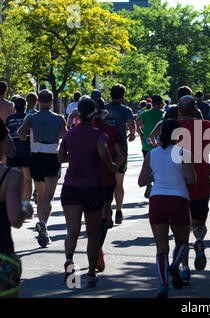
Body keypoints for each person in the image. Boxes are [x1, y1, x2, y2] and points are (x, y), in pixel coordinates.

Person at [58, 96, 118, 288]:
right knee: (92, 234)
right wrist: (112, 165)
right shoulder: (99, 135)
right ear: (94, 114)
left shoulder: (70, 134)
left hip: (71, 188)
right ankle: (91, 274)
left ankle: (69, 260)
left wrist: (75, 157)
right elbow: (104, 155)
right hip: (93, 188)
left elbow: (60, 157)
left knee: (72, 232)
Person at [138, 119, 196, 298]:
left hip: (157, 200)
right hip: (179, 199)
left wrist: (154, 176)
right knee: (182, 242)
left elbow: (141, 182)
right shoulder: (183, 153)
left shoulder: (152, 154)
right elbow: (191, 179)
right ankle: (175, 265)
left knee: (161, 247)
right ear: (177, 135)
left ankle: (164, 285)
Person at [176, 95, 210, 283]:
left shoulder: (173, 128)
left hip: (179, 185)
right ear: (195, 110)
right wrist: (208, 169)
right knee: (199, 223)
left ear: (179, 110)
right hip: (201, 182)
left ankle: (184, 268)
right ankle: (199, 241)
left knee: (182, 228)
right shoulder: (207, 125)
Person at [18, 89, 66, 248]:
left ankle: (41, 227)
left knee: (40, 196)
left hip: (36, 157)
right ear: (52, 101)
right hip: (52, 157)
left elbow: (20, 135)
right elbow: (65, 139)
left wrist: (29, 133)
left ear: (38, 101)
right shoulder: (59, 119)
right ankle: (44, 224)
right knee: (48, 198)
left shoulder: (30, 117)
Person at [91, 91, 124, 271]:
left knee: (90, 218)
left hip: (84, 180)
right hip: (106, 178)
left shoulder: (77, 131)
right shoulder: (110, 131)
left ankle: (94, 252)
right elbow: (122, 154)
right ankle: (98, 251)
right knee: (103, 214)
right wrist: (113, 166)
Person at [0, 119, 33, 298]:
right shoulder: (10, 176)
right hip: (2, 256)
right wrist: (25, 207)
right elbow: (15, 220)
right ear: (3, 144)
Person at [103, 83, 136, 225]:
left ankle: (107, 211)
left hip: (103, 146)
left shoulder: (103, 109)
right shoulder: (126, 110)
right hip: (120, 149)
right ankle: (119, 210)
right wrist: (132, 134)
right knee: (119, 182)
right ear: (123, 96)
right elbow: (131, 126)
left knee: (105, 181)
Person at [6, 98, 33, 211]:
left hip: (13, 152)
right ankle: (26, 205)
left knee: (14, 180)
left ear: (15, 107)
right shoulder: (29, 118)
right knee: (27, 179)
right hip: (26, 151)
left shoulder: (9, 118)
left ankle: (15, 203)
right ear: (25, 107)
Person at [137, 95, 165, 198]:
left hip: (147, 145)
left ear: (152, 104)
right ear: (162, 103)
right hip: (160, 145)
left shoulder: (145, 113)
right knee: (159, 166)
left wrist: (141, 134)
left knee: (148, 166)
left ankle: (149, 183)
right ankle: (157, 186)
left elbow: (137, 124)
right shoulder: (163, 114)